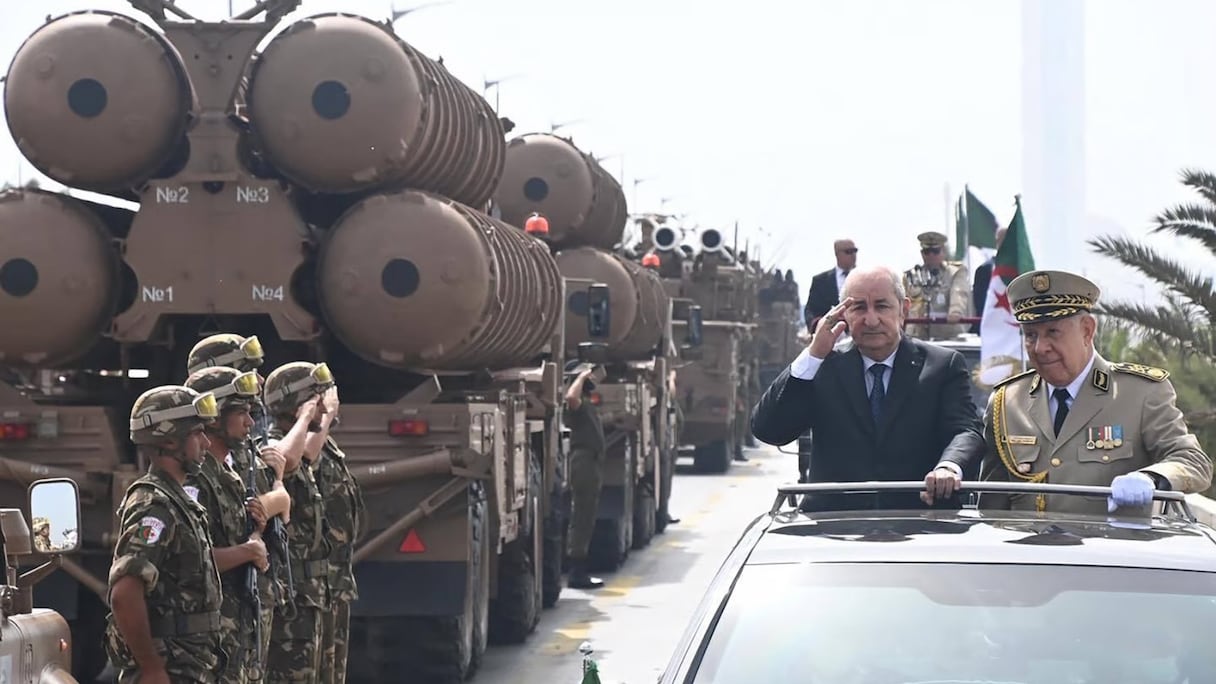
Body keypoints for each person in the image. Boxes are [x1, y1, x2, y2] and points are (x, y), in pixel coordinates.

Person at [750, 265, 985, 511]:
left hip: (920, 523)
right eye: (859, 307)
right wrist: (812, 356)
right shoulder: (823, 367)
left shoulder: (942, 366)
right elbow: (769, 430)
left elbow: (967, 430)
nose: (871, 320)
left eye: (882, 306)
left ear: (903, 309)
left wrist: (948, 467)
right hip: (834, 529)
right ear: (843, 314)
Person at [978, 270, 1214, 514]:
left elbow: (1193, 461)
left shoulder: (1140, 393)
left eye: (1053, 333)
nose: (1040, 348)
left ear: (1087, 330)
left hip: (1111, 548)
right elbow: (992, 504)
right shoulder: (1007, 402)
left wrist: (1152, 478)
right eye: (1030, 335)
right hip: (1030, 549)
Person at [104, 385, 225, 684]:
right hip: (172, 667)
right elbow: (124, 594)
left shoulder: (177, 500)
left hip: (191, 663)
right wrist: (152, 668)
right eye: (197, 434)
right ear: (170, 441)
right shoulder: (154, 506)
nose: (207, 443)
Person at [183, 366, 283, 683]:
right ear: (214, 418)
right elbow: (189, 560)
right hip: (209, 643)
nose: (251, 423)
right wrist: (249, 550)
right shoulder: (196, 479)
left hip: (236, 633)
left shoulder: (231, 475)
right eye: (241, 413)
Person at [261, 362, 330, 684]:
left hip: (304, 593)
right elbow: (286, 460)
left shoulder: (299, 439)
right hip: (289, 594)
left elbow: (309, 451)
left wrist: (322, 416)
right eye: (317, 398)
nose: (324, 404)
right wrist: (307, 415)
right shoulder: (274, 440)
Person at [307, 378, 366, 684]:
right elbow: (302, 459)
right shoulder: (287, 442)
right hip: (307, 592)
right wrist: (324, 416)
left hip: (332, 582)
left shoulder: (324, 441)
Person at [564, 361, 607, 590]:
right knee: (581, 515)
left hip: (591, 461)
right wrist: (580, 377)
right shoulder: (575, 404)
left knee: (586, 515)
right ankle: (576, 572)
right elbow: (571, 398)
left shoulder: (588, 404)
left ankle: (580, 568)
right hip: (583, 462)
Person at [903, 231, 970, 340]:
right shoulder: (912, 275)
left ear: (943, 252)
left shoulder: (955, 272)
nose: (931, 255)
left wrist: (955, 311)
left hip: (947, 335)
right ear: (922, 253)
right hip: (917, 335)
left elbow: (959, 293)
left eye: (935, 251)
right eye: (927, 251)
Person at [803, 239, 857, 330]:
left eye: (855, 251)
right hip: (829, 333)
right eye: (848, 252)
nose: (853, 255)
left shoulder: (864, 279)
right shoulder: (821, 281)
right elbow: (810, 309)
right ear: (837, 254)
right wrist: (817, 325)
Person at [970, 226, 1007, 333]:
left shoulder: (1022, 269)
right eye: (1002, 240)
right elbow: (980, 305)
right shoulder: (985, 270)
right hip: (990, 328)